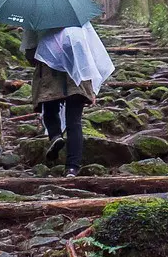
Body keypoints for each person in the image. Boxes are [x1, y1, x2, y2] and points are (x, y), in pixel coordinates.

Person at [27, 22, 114, 176]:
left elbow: (30, 54)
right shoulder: (78, 19)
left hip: (49, 75)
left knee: (49, 112)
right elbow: (89, 49)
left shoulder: (35, 20)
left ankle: (55, 135)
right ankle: (72, 167)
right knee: (74, 122)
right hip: (77, 73)